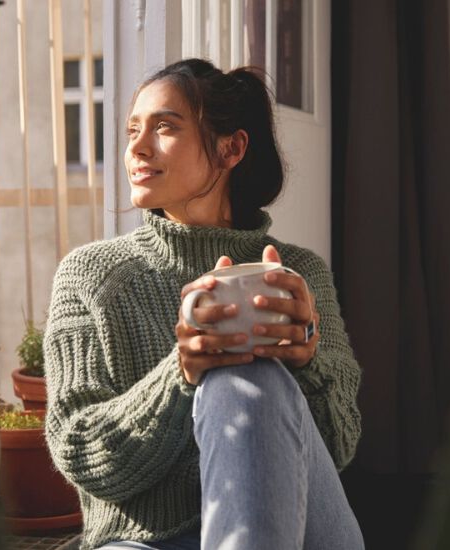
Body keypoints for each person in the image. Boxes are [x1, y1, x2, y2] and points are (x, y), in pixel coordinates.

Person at [42, 58, 365, 550]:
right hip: (145, 540)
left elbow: (338, 447)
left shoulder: (301, 274)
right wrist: (182, 374)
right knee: (233, 368)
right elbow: (76, 449)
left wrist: (306, 359)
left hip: (300, 531)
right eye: (133, 130)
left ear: (231, 147)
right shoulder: (91, 275)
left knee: (248, 373)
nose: (137, 147)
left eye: (165, 127)